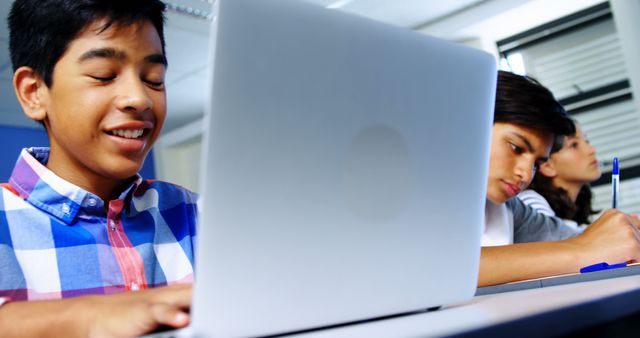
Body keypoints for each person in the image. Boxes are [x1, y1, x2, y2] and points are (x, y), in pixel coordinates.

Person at [0, 0, 195, 336]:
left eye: (154, 79)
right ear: (34, 93)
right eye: (104, 75)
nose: (140, 98)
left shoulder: (200, 213)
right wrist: (87, 315)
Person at [479, 71, 640, 287]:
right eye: (516, 148)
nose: (526, 175)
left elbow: (567, 238)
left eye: (536, 164)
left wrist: (621, 236)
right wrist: (583, 250)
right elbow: (442, 265)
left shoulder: (509, 210)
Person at [518, 122, 601, 232]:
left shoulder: (574, 215)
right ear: (547, 166)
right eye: (574, 145)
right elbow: (555, 242)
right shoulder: (529, 204)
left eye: (586, 141)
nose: (591, 150)